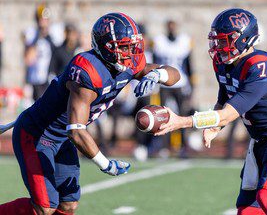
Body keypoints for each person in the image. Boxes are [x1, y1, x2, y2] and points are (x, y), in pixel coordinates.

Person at [0, 13, 180, 215]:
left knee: (68, 204)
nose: (130, 52)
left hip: (61, 137)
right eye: (123, 46)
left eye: (132, 45)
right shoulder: (88, 71)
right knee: (45, 207)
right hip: (38, 135)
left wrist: (159, 74)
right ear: (106, 47)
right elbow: (76, 131)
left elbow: (176, 74)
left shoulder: (129, 63)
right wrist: (106, 164)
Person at [155, 8, 267, 215]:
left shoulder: (261, 68)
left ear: (244, 39)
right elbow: (224, 98)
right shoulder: (223, 62)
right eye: (217, 40)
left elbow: (228, 114)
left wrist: (180, 121)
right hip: (259, 140)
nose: (219, 46)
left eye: (225, 41)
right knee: (247, 210)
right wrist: (215, 126)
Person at [153, 20, 195, 156]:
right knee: (162, 116)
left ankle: (183, 147)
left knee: (182, 115)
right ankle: (164, 147)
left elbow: (189, 65)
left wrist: (192, 85)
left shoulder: (184, 41)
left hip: (181, 83)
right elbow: (154, 63)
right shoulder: (159, 42)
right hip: (164, 83)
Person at [23, 4, 57, 101]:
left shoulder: (54, 33)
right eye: (41, 19)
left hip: (49, 78)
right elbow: (29, 59)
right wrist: (38, 36)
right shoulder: (32, 34)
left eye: (46, 19)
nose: (43, 22)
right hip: (35, 78)